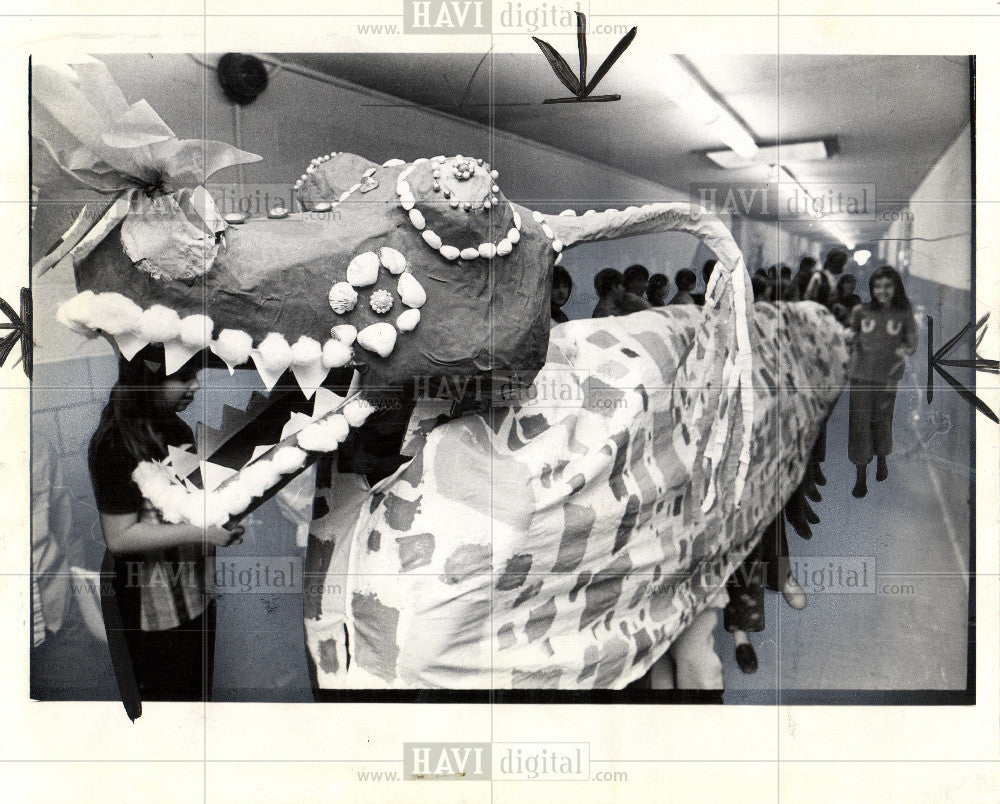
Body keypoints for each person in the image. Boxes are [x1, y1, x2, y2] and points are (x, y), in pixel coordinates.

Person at [89, 348, 243, 701]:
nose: (195, 386)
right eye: (184, 377)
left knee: (196, 699)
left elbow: (196, 504)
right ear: (149, 380)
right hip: (148, 606)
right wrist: (205, 534)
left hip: (193, 594)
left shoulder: (178, 428)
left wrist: (215, 546)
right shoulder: (113, 444)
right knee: (163, 710)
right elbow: (120, 537)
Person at [847, 266, 917, 498]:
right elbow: (849, 335)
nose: (882, 291)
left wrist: (903, 350)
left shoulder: (904, 312)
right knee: (859, 424)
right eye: (877, 286)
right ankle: (860, 475)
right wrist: (849, 340)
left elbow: (912, 342)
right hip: (861, 376)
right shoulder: (861, 311)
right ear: (871, 288)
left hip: (888, 377)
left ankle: (882, 458)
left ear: (896, 287)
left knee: (883, 420)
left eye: (887, 286)